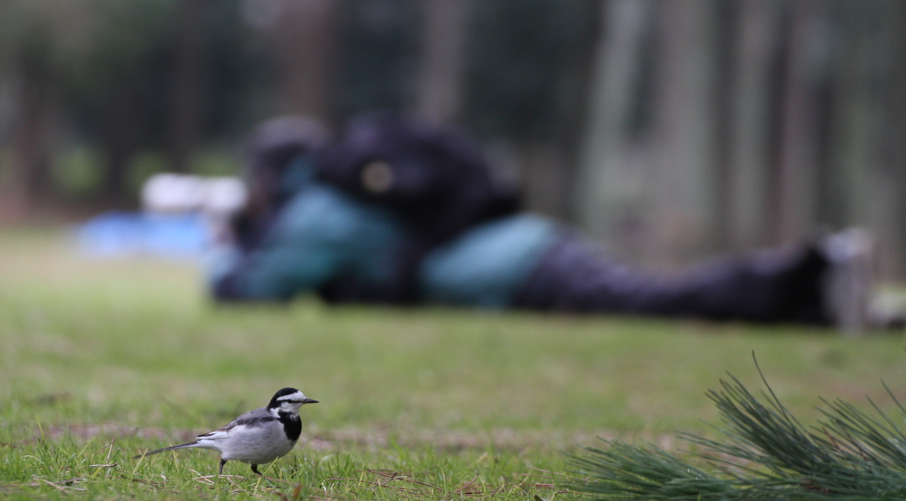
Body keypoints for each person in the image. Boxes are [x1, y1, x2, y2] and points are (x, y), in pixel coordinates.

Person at [208, 114, 873, 330]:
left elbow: (244, 291)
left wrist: (225, 240)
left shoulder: (319, 214)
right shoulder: (337, 198)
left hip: (518, 265)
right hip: (525, 249)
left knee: (658, 301)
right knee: (656, 295)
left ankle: (812, 268)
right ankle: (832, 304)